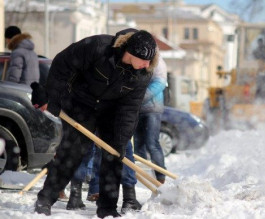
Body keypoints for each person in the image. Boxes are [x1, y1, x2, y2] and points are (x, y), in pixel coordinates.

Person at [31, 28, 158, 218]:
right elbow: (62, 65)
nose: (147, 64)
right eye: (144, 60)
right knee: (71, 153)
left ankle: (107, 209)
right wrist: (52, 97)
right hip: (81, 103)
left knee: (113, 156)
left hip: (112, 110)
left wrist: (121, 140)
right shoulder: (98, 47)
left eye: (150, 61)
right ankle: (45, 200)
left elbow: (130, 108)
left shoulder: (142, 73)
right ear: (130, 52)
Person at [133, 56, 167, 184]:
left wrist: (139, 97)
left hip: (153, 108)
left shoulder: (158, 62)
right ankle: (141, 175)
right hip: (137, 108)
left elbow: (160, 83)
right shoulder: (137, 59)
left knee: (152, 143)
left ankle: (160, 175)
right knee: (138, 143)